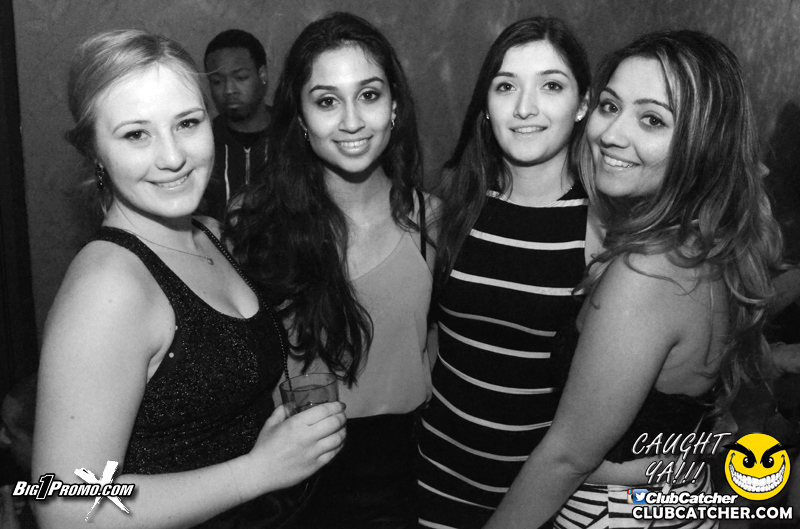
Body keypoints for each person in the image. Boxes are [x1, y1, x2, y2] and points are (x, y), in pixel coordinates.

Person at [32, 29, 345, 528]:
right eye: (136, 134)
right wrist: (256, 472)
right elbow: (63, 507)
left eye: (187, 122)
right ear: (95, 150)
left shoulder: (210, 234)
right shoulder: (108, 288)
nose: (173, 156)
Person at [483, 30, 783, 529]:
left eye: (652, 119)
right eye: (610, 106)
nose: (611, 134)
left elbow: (568, 457)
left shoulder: (649, 270)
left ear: (706, 145)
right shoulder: (704, 245)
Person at [228, 12, 434, 528]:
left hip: (401, 471)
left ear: (394, 105)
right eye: (326, 101)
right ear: (299, 116)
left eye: (369, 95)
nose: (352, 121)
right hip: (287, 475)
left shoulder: (433, 220)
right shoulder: (253, 221)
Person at [415, 17, 600, 529]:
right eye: (505, 86)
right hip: (437, 477)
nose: (524, 108)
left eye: (551, 86)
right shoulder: (453, 206)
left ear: (582, 104)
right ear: (486, 105)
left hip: (542, 501)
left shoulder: (601, 230)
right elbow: (431, 331)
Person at [202, 29, 272, 221]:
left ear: (262, 75)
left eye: (240, 77)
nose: (229, 90)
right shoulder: (202, 145)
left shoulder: (293, 137)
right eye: (217, 81)